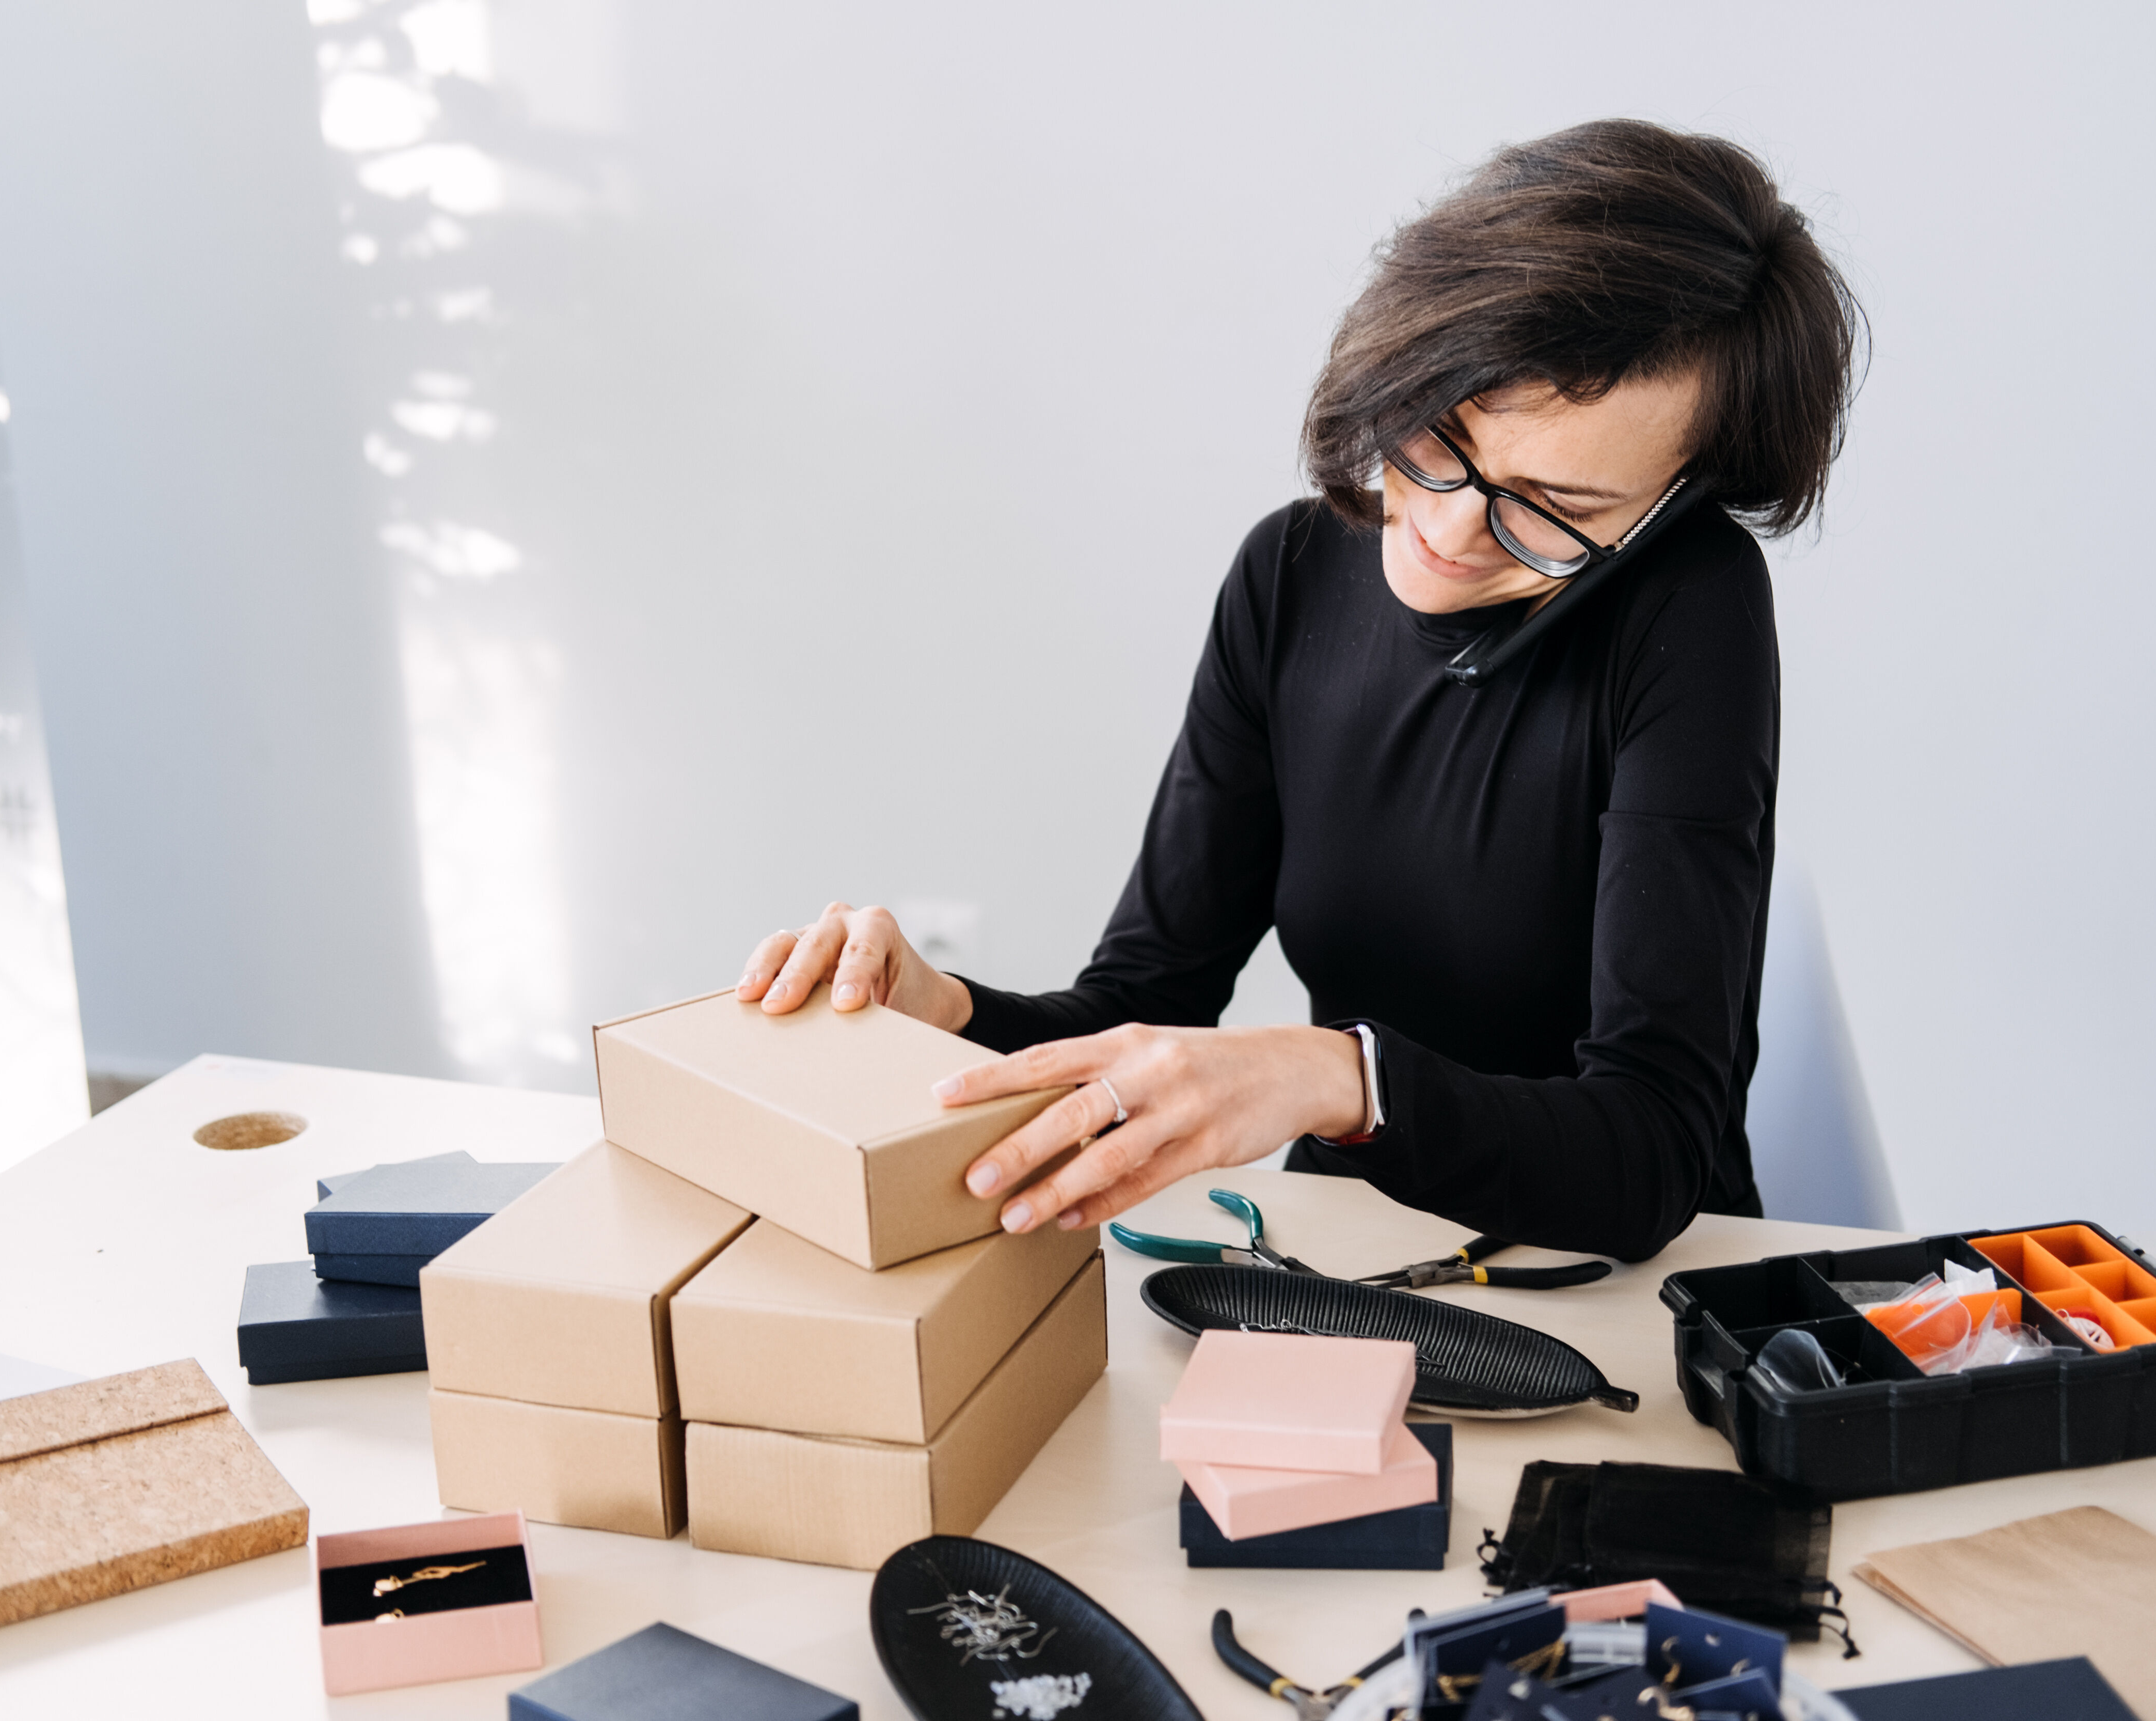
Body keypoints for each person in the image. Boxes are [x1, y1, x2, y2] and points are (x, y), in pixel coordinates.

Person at [738, 120, 1862, 1262]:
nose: (1449, 528)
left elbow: (1653, 1149)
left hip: (1622, 1271)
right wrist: (951, 1014)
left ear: (1669, 509)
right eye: (1440, 432)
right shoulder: (1288, 574)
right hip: (1352, 1241)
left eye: (1556, 507)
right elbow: (1145, 999)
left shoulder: (1691, 610)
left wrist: (1339, 1076)